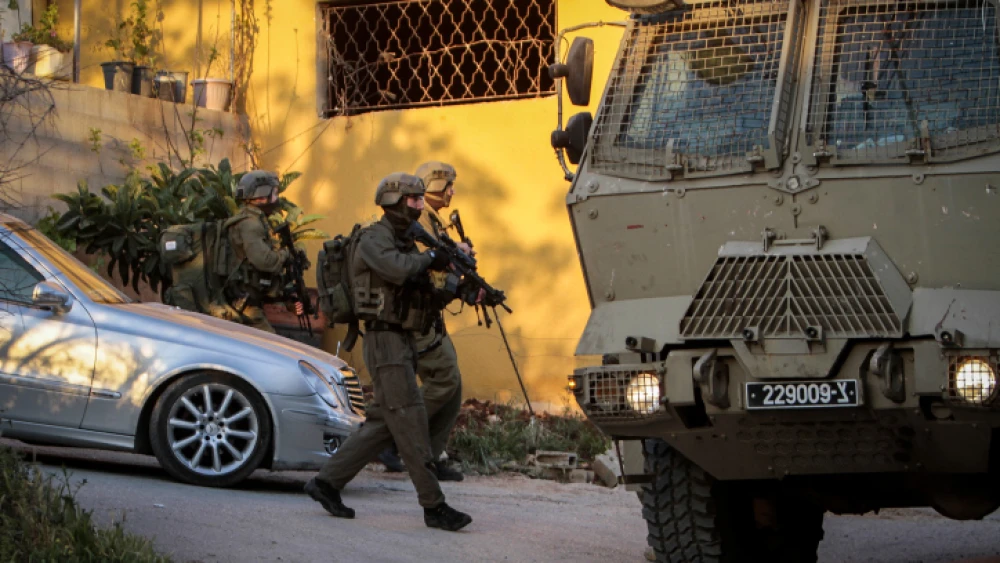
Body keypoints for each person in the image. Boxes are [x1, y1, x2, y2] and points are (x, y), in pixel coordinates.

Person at [305, 172, 472, 532]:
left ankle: (326, 483)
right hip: (383, 342)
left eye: (418, 199)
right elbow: (398, 270)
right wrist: (432, 257)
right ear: (393, 202)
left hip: (404, 340)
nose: (417, 205)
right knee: (410, 421)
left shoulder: (405, 240)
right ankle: (434, 506)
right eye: (412, 200)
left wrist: (459, 284)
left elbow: (423, 293)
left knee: (383, 425)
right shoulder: (374, 239)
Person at [222, 170, 303, 333]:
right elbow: (264, 261)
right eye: (272, 194)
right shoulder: (250, 224)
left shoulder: (254, 220)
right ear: (261, 196)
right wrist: (285, 255)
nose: (275, 199)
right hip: (244, 307)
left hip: (248, 303)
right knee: (271, 350)